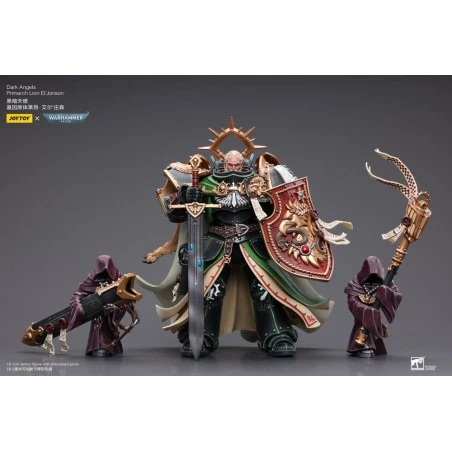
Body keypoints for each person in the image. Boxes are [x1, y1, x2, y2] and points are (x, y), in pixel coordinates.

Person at [140, 119, 352, 357]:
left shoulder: (262, 181)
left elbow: (283, 208)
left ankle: (275, 334)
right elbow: (176, 214)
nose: (233, 166)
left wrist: (266, 199)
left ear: (246, 162)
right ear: (221, 162)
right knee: (211, 288)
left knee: (265, 288)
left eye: (238, 163)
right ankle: (204, 335)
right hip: (216, 243)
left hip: (253, 243)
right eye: (229, 163)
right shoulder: (206, 181)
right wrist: (187, 195)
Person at [68, 255, 126, 357]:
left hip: (111, 309)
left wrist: (114, 309)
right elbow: (78, 293)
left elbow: (124, 298)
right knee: (98, 326)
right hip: (97, 312)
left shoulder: (118, 277)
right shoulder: (92, 277)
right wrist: (77, 305)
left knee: (108, 324)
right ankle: (97, 347)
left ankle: (111, 347)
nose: (104, 274)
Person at [345, 256, 403, 357]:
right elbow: (352, 301)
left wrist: (385, 292)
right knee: (361, 327)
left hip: (376, 318)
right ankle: (363, 347)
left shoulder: (386, 282)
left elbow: (397, 296)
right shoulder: (355, 282)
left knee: (373, 329)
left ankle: (371, 346)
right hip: (362, 318)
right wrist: (366, 310)